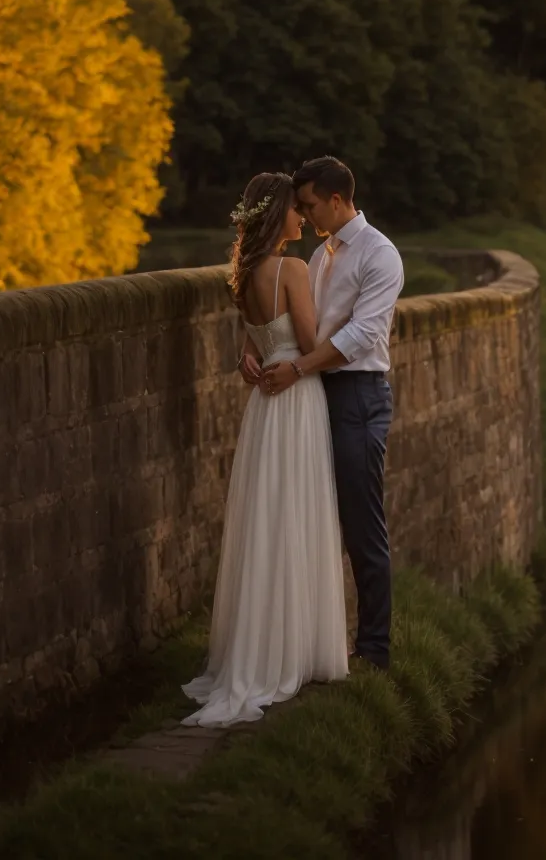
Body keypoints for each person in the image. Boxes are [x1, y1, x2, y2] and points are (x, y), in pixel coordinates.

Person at [183, 172, 349, 726]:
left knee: (266, 523)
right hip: (297, 401)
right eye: (297, 211)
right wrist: (349, 323)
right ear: (279, 215)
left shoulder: (246, 272)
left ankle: (262, 648)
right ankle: (290, 654)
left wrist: (245, 359)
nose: (304, 218)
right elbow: (307, 343)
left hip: (263, 410)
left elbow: (254, 343)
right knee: (295, 518)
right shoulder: (291, 269)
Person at [254, 156, 404, 670]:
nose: (305, 212)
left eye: (311, 204)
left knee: (362, 525)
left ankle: (374, 651)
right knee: (312, 518)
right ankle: (314, 641)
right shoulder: (320, 257)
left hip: (359, 397)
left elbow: (363, 335)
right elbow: (297, 324)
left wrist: (296, 369)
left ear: (337, 200)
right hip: (316, 394)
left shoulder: (380, 255)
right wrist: (263, 351)